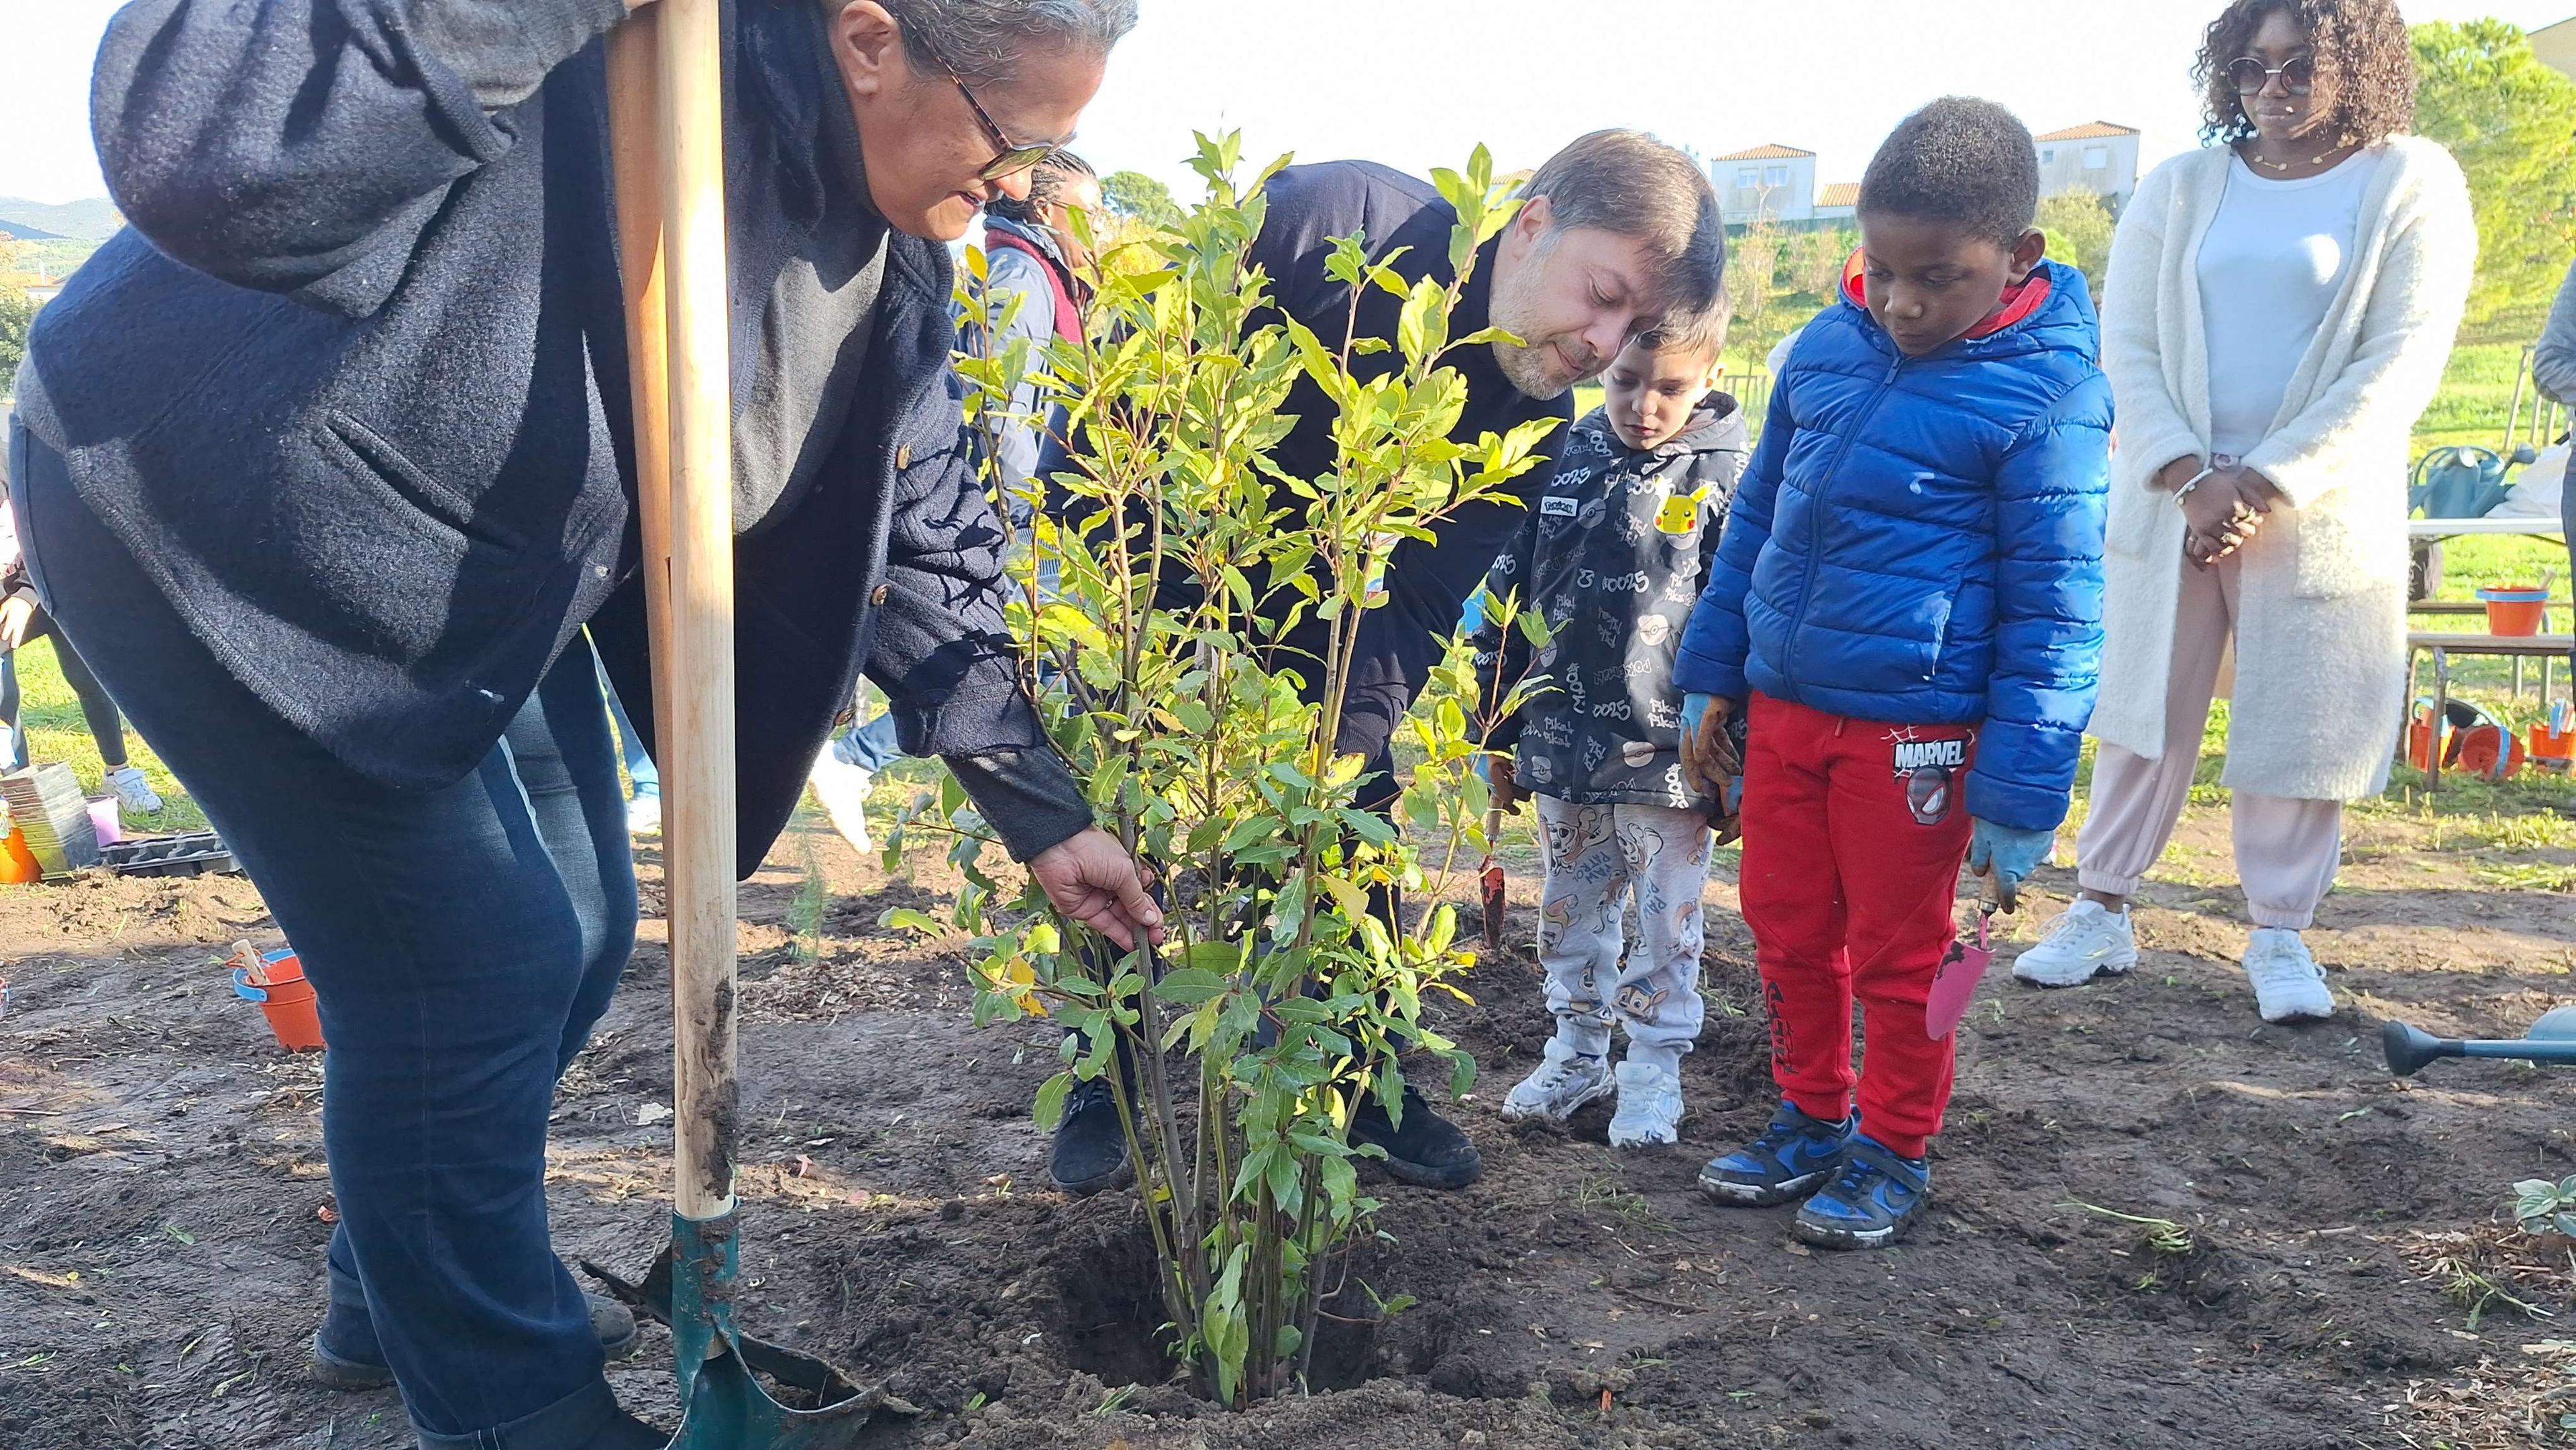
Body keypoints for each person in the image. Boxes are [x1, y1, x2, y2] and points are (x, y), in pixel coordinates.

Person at [9, 3, 1162, 1447]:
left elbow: (922, 556)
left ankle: (393, 1290)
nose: (1017, 187)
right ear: (870, 41)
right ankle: (514, 1412)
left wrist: (1043, 814)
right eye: (1015, 141)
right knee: (465, 976)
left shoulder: (894, 269)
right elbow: (213, 145)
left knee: (583, 917)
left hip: (482, 565)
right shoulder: (622, 48)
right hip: (213, 506)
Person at [1046, 130, 1729, 1196]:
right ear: (1534, 222)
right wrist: (1153, 636)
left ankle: (1365, 1078)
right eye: (1601, 295)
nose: (1602, 344)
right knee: (1114, 826)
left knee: (1355, 817)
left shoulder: (1531, 416)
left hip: (1324, 636)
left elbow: (1412, 601)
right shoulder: (1331, 225)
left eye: (1632, 326)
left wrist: (1333, 758)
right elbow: (1121, 404)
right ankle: (1108, 1070)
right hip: (1161, 573)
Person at [1676, 98, 2111, 1250]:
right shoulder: (1824, 349)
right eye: (1883, 270)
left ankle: (1894, 1145)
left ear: (2020, 257)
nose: (1906, 301)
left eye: (1941, 277)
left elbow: (2059, 608)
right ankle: (1812, 1116)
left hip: (1919, 739)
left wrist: (2019, 795)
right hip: (1788, 710)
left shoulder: (2046, 398)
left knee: (1906, 956)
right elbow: (1758, 519)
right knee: (1779, 921)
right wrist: (1713, 674)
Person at [2013, 0, 2473, 1023]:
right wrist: (2189, 474)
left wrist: (2266, 481)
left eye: (2301, 63)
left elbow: (2399, 362)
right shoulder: (2180, 187)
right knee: (2143, 707)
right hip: (2177, 498)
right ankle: (2101, 905)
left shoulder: (2412, 182)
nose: (2274, 85)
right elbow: (2126, 343)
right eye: (2254, 66)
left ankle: (2279, 931)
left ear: (2360, 65)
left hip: (2318, 512)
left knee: (2299, 721)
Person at [1475, 313, 1748, 1150]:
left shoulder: (1733, 474)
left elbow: (1746, 619)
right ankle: (1577, 1052)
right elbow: (1507, 591)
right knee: (1567, 906)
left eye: (1668, 387)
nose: (1642, 405)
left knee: (1667, 919)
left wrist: (1738, 757)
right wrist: (1494, 724)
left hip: (1673, 756)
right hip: (1560, 742)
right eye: (1625, 381)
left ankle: (1654, 1069)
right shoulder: (1561, 453)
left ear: (1709, 372)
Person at [808, 150, 1102, 856]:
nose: (1101, 231)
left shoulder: (1041, 274)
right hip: (1013, 514)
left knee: (1036, 665)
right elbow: (1001, 404)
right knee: (1009, 661)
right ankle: (857, 760)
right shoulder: (1021, 277)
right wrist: (1016, 511)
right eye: (1090, 214)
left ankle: (879, 766)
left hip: (1025, 509)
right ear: (1042, 208)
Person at [0, 490, 162, 815]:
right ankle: (18, 791)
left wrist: (28, 594)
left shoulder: (13, 461)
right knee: (5, 694)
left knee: (89, 677)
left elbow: (51, 528)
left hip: (52, 585)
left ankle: (119, 772)